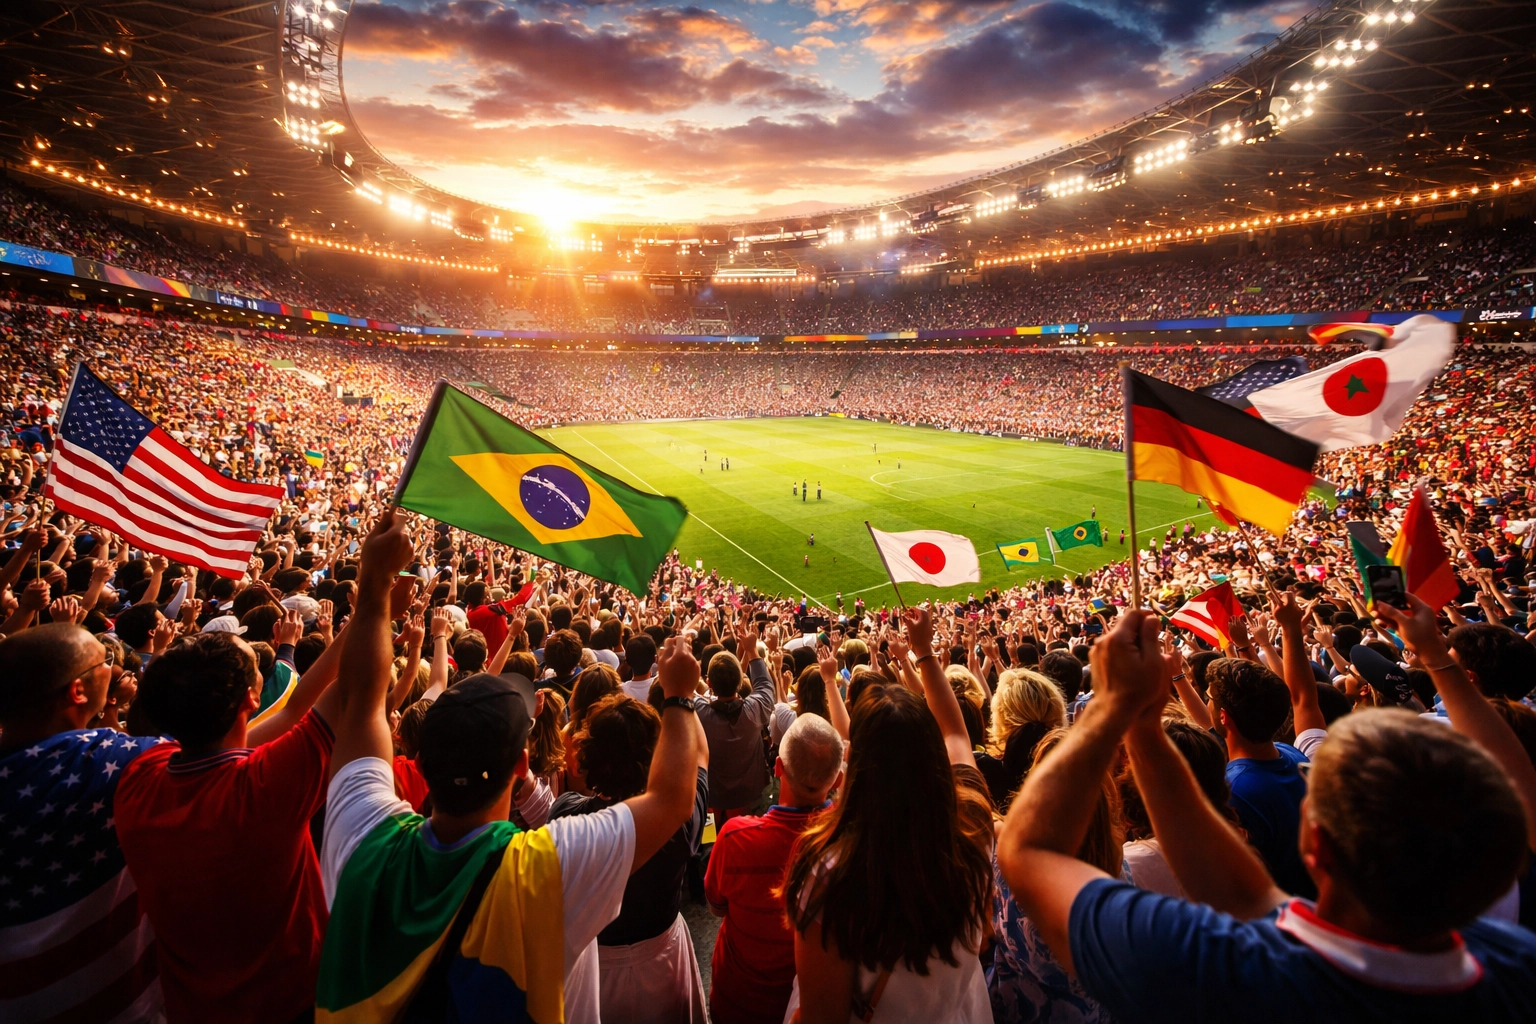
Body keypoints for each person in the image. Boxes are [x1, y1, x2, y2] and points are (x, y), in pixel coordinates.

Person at [997, 605, 1536, 1022]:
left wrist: (1115, 707)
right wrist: (1140, 728)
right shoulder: (1509, 959)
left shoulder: (1232, 969)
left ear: (1314, 845)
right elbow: (1242, 895)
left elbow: (1029, 852)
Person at [312, 510, 707, 1022]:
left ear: (418, 763)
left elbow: (361, 703)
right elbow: (674, 800)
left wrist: (372, 595)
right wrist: (676, 695)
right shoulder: (546, 868)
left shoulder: (363, 837)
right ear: (523, 765)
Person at [112, 612, 351, 1022]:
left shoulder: (140, 777)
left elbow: (291, 713)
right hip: (292, 1004)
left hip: (193, 1007)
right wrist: (375, 599)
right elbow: (350, 690)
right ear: (250, 699)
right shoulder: (264, 789)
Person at [781, 607, 994, 1023]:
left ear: (857, 763)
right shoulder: (973, 823)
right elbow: (954, 733)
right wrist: (923, 653)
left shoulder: (830, 874)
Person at [0, 623, 165, 1023]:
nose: (112, 666)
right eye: (105, 661)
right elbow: (232, 753)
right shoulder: (115, 761)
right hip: (123, 1007)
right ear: (78, 690)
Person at [550, 693, 711, 1023]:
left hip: (595, 966)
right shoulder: (679, 820)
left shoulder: (565, 814)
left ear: (586, 757)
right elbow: (700, 755)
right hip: (662, 960)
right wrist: (679, 696)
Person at [706, 713, 845, 1024]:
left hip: (737, 1003)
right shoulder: (849, 841)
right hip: (805, 1004)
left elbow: (716, 907)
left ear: (778, 767)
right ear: (836, 780)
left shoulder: (735, 836)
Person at [1205, 656, 1314, 897]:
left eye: (1208, 699)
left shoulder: (1232, 791)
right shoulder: (1291, 753)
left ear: (1223, 716)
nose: (1207, 704)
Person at [698, 633, 775, 829]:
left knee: (710, 847)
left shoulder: (698, 713)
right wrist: (752, 651)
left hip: (711, 801)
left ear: (709, 684)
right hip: (749, 801)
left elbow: (679, 689)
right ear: (741, 682)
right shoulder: (754, 710)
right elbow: (765, 686)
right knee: (745, 843)